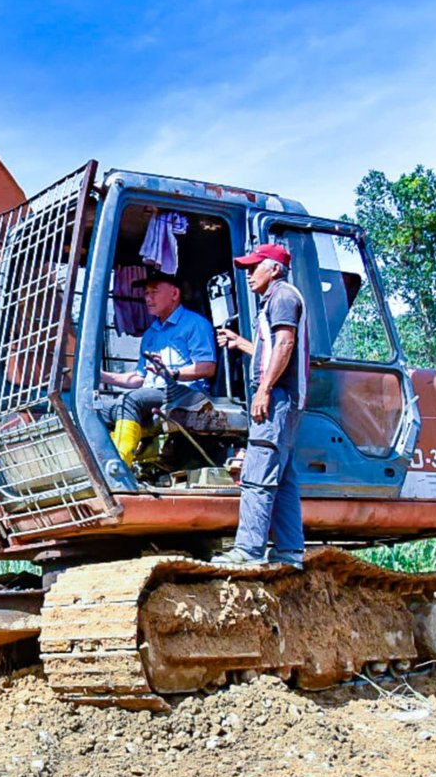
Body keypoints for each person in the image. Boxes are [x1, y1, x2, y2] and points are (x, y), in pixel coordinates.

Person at [212, 243, 309, 569]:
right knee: (283, 479)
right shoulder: (280, 298)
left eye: (255, 268)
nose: (250, 275)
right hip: (285, 399)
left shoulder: (282, 297)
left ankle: (248, 550)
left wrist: (264, 389)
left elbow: (285, 344)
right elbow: (273, 350)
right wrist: (241, 344)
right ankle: (290, 551)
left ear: (275, 269)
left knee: (257, 473)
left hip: (278, 399)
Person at [99, 271, 217, 467]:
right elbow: (139, 378)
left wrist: (173, 373)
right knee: (98, 409)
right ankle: (101, 465)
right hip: (155, 393)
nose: (148, 298)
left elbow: (208, 367)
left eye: (154, 291)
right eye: (146, 293)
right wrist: (101, 375)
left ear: (174, 294)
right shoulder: (150, 333)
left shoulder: (195, 324)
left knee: (130, 400)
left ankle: (119, 468)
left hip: (185, 394)